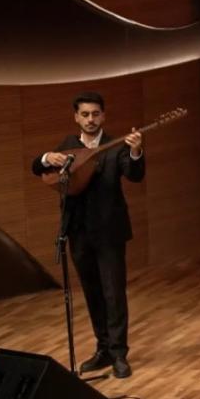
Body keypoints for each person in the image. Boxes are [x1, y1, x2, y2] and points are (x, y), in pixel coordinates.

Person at [31, 92, 144, 379]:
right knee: (92, 292)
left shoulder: (116, 146)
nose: (90, 119)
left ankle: (119, 354)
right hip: (78, 232)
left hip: (109, 233)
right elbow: (38, 167)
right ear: (76, 117)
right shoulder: (68, 145)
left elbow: (135, 174)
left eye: (95, 114)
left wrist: (135, 151)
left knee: (113, 293)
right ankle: (103, 349)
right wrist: (46, 157)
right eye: (85, 114)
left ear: (103, 116)